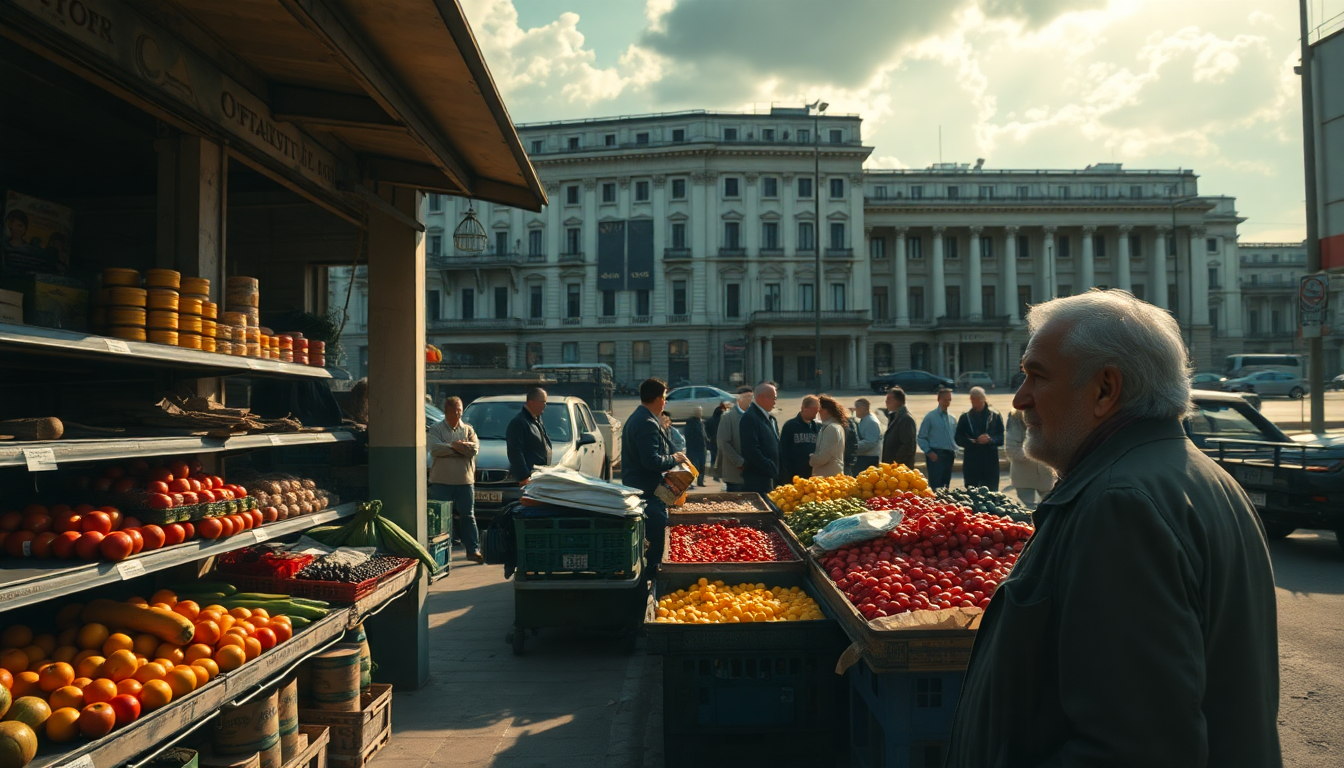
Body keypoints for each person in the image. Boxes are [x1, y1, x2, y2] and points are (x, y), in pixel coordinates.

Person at [947, 290, 1280, 767]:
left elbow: (1132, 750)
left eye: (1036, 377)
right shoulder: (1196, 475)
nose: (1020, 399)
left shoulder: (1119, 504)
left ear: (1105, 390)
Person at [620, 378, 686, 571]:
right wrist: (674, 459)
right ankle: (652, 575)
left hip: (640, 487)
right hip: (647, 491)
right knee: (655, 539)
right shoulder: (647, 422)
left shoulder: (638, 417)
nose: (665, 402)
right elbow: (651, 461)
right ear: (658, 398)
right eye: (664, 397)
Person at [427, 396, 483, 563]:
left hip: (464, 481)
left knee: (468, 516)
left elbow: (474, 449)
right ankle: (440, 555)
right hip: (441, 481)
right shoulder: (436, 429)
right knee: (440, 518)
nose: (458, 414)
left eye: (460, 410)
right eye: (454, 410)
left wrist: (451, 447)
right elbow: (435, 449)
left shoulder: (468, 430)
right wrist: (456, 446)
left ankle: (473, 550)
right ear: (447, 412)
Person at [955, 386, 1005, 490]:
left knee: (991, 492)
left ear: (983, 399)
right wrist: (971, 441)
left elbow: (1001, 438)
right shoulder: (965, 417)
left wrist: (990, 439)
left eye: (976, 399)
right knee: (972, 491)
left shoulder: (994, 416)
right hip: (972, 461)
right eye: (972, 399)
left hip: (990, 461)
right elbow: (958, 437)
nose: (974, 402)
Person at [738, 382, 781, 494]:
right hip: (758, 479)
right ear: (761, 397)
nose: (775, 402)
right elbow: (750, 449)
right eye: (773, 398)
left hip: (769, 477)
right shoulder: (750, 417)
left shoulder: (768, 417)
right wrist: (768, 465)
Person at [1005, 407, 1053, 504]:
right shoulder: (1016, 419)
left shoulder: (1049, 415)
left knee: (1049, 507)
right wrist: (1037, 453)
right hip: (1024, 476)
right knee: (1027, 509)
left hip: (1046, 475)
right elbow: (1012, 450)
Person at [506, 387, 552, 485]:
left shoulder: (536, 420)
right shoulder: (520, 423)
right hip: (529, 479)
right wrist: (523, 476)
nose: (545, 406)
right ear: (531, 403)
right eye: (543, 402)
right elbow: (515, 452)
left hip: (539, 475)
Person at [916, 388, 957, 489]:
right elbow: (921, 437)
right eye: (945, 399)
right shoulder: (930, 417)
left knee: (945, 485)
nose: (947, 402)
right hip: (936, 454)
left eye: (949, 400)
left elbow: (954, 436)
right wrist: (929, 452)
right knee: (935, 485)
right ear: (939, 399)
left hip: (949, 454)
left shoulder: (952, 419)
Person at [716, 386, 754, 492]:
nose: (749, 400)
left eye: (751, 397)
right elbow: (723, 442)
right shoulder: (728, 417)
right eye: (746, 397)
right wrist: (739, 462)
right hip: (735, 474)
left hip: (753, 474)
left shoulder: (755, 416)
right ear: (739, 399)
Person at [778, 395, 820, 485]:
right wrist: (786, 472)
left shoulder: (816, 427)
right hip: (794, 474)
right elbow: (783, 451)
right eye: (814, 411)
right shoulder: (790, 426)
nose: (816, 415)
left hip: (812, 475)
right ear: (804, 408)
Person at [808, 396, 849, 477]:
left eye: (819, 409)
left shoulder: (831, 428)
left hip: (828, 477)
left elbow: (823, 457)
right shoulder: (833, 426)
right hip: (831, 475)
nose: (817, 412)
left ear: (825, 410)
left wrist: (811, 459)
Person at [881, 387, 917, 467]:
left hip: (900, 469)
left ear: (899, 401)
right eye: (886, 399)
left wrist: (896, 462)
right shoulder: (894, 416)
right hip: (892, 467)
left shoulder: (905, 419)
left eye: (890, 399)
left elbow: (908, 445)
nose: (887, 402)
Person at [852, 398, 882, 472]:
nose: (855, 409)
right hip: (864, 456)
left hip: (868, 458)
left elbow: (870, 442)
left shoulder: (871, 422)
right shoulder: (865, 419)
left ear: (864, 408)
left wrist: (853, 446)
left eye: (857, 407)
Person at [684, 406, 709, 487]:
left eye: (700, 411)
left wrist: (707, 442)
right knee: (693, 466)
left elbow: (703, 434)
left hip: (702, 448)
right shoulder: (690, 423)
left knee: (702, 465)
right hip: (693, 448)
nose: (699, 413)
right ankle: (690, 482)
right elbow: (688, 435)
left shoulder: (701, 422)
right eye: (697, 411)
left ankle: (700, 481)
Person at [706, 401, 728, 478]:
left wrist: (709, 437)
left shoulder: (711, 420)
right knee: (722, 458)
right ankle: (719, 473)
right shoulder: (723, 420)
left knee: (713, 457)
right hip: (722, 440)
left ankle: (712, 471)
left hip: (713, 440)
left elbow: (707, 430)